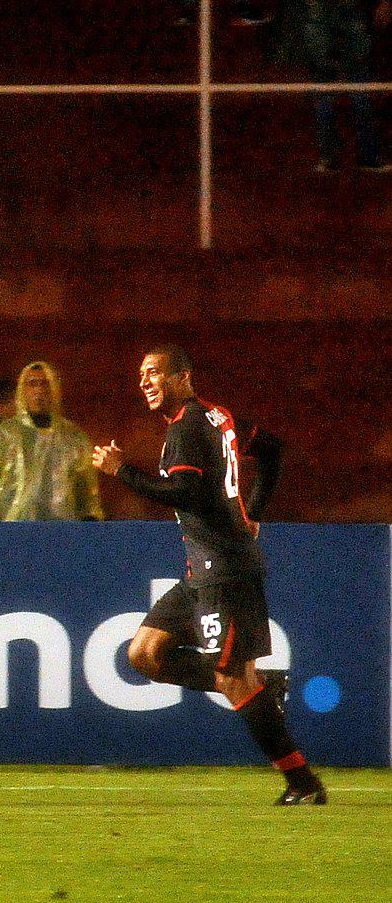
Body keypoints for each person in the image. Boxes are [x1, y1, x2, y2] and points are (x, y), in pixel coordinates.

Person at [92, 345, 324, 805]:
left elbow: (186, 492)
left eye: (154, 372)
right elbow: (272, 451)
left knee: (233, 680)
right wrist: (251, 513)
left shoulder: (187, 427)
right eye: (140, 374)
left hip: (226, 572)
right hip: (202, 573)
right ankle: (265, 687)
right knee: (143, 653)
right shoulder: (220, 417)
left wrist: (121, 471)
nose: (144, 381)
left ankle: (302, 782)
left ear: (182, 377)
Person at [277, 0, 392, 172]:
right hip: (332, 3)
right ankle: (356, 155)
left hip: (330, 3)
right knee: (348, 80)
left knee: (338, 82)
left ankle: (336, 155)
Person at [0, 361, 104, 521]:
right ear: (22, 390)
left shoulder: (74, 439)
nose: (39, 390)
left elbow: (88, 498)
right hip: (12, 536)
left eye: (45, 384)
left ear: (54, 389)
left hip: (63, 536)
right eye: (32, 384)